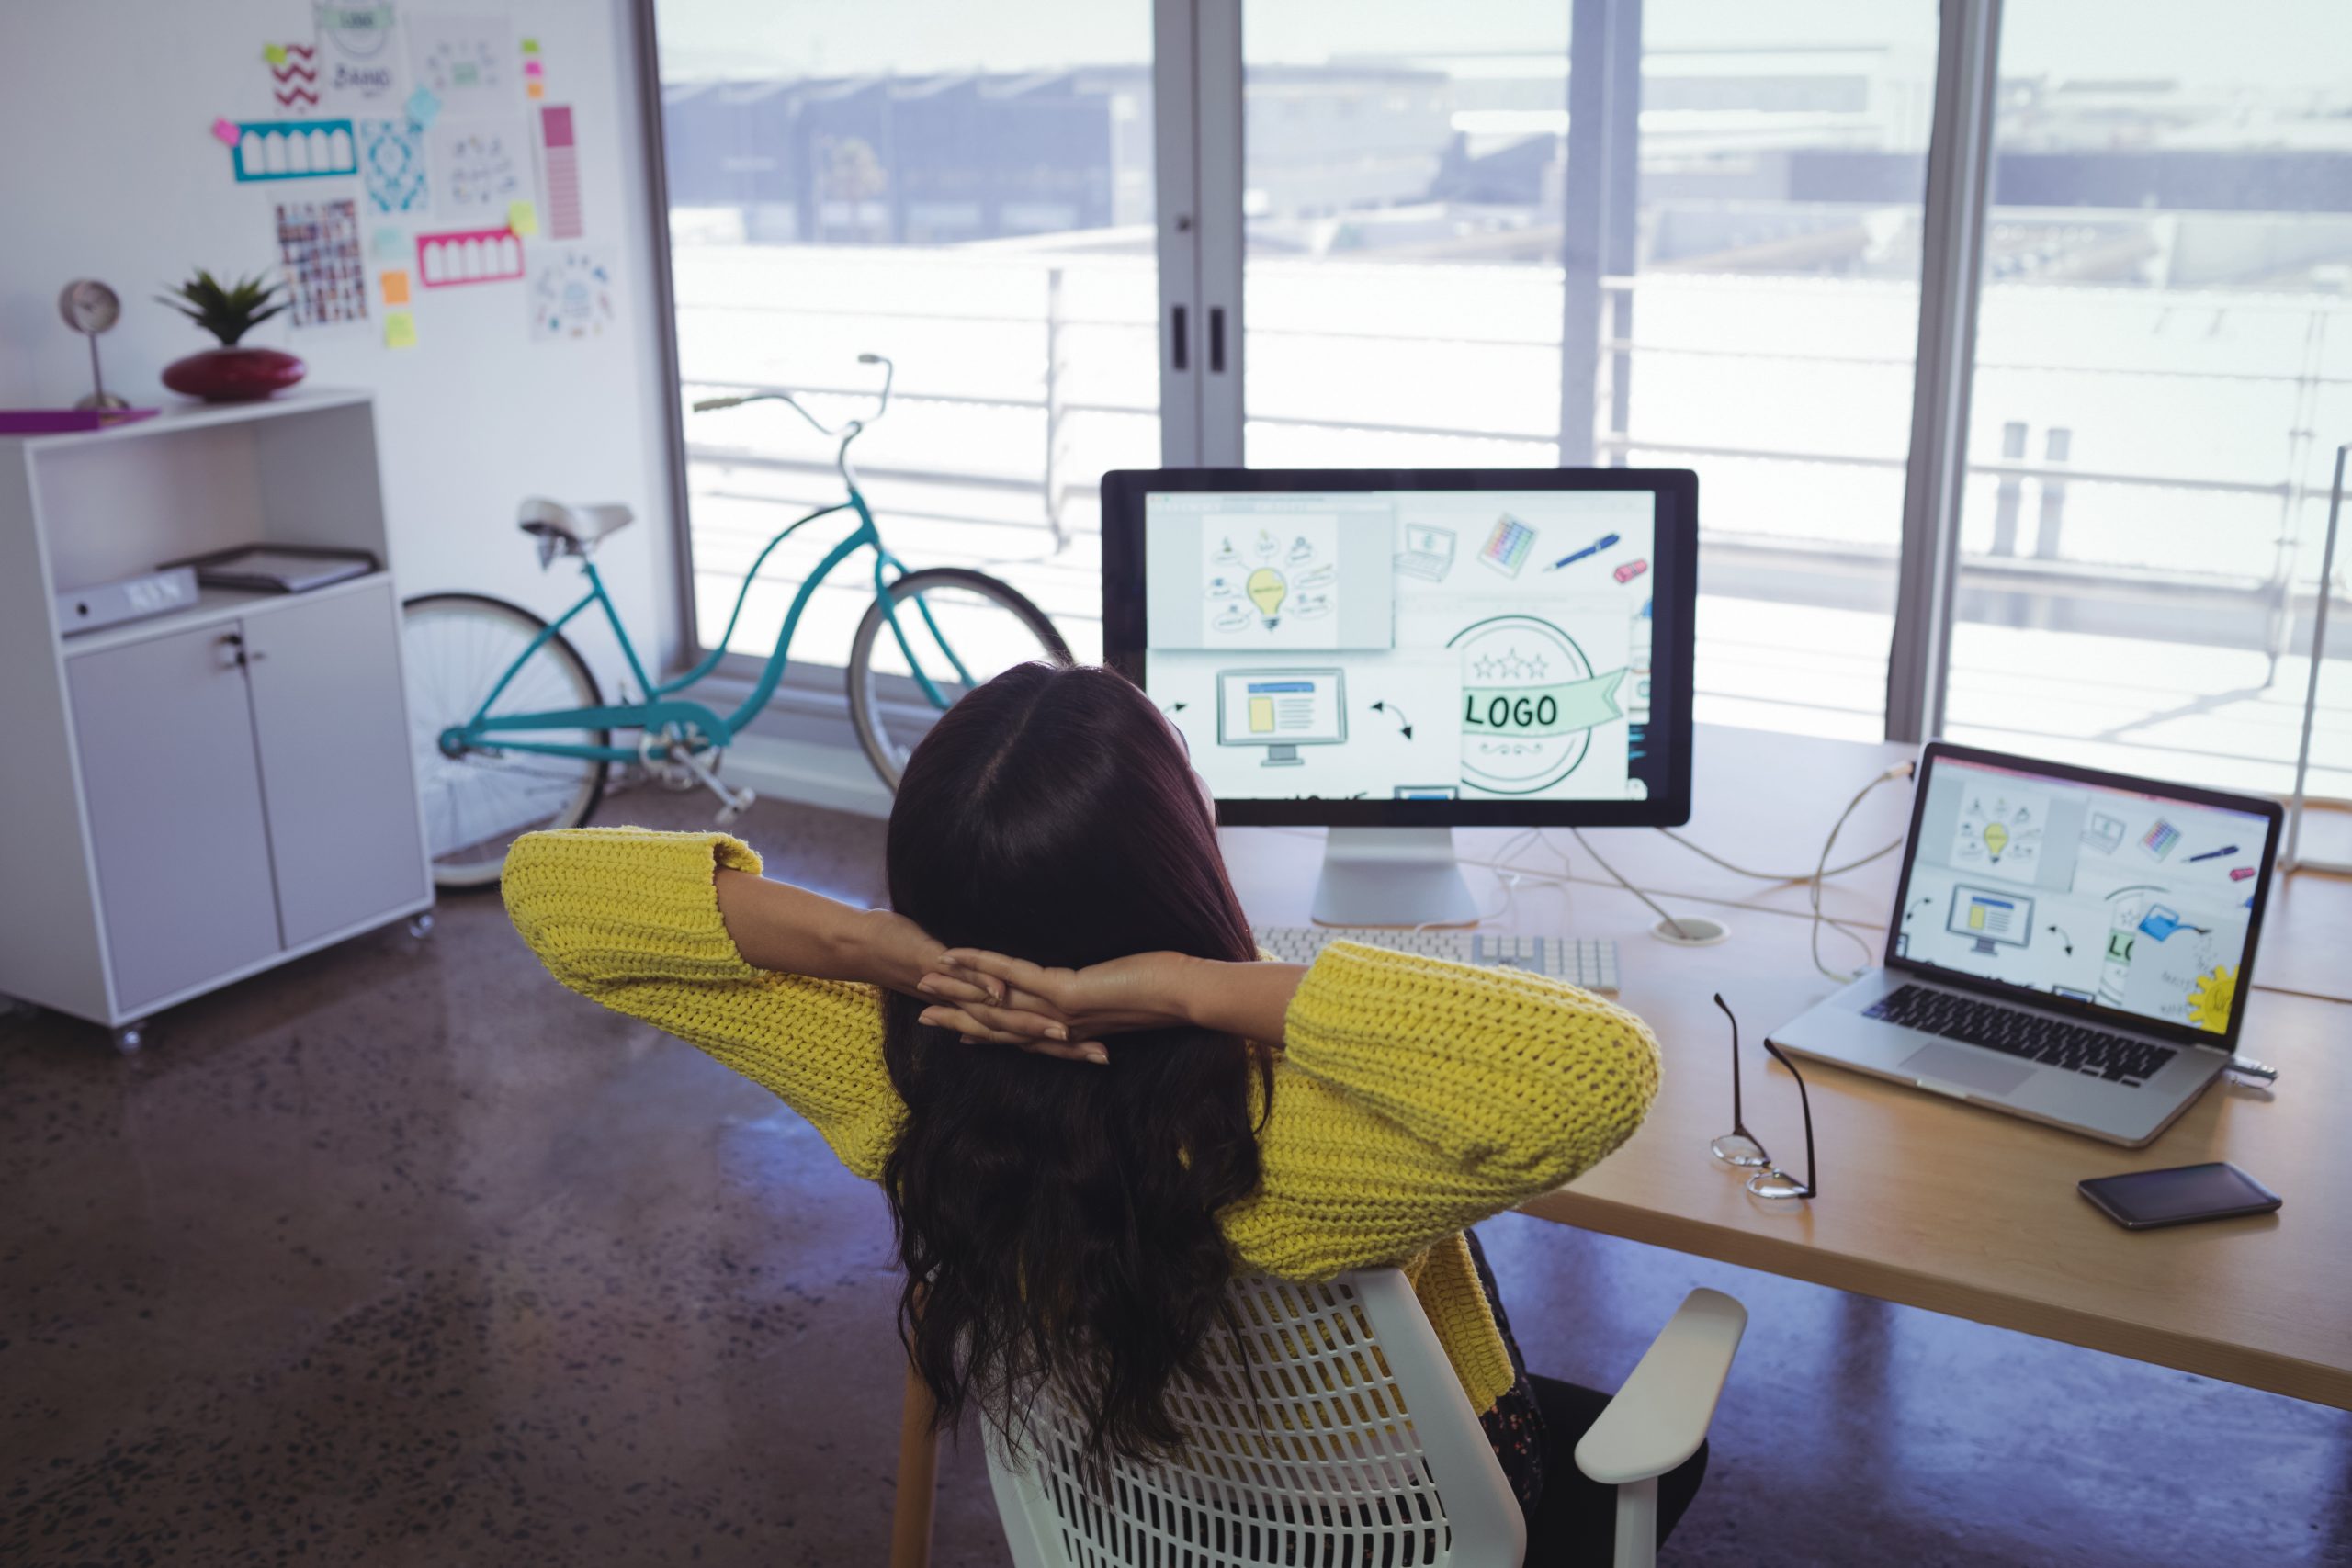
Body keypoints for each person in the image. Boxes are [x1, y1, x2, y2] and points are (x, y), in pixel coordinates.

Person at [503, 660, 1706, 1562]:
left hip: (1138, 1503)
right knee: (1670, 1446)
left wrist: (873, 947)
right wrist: (1184, 984)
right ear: (1179, 848)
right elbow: (1593, 1069)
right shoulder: (1300, 1123)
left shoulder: (891, 1066)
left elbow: (550, 893)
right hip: (1394, 1519)